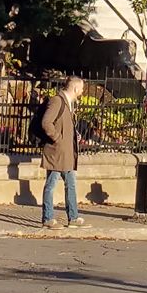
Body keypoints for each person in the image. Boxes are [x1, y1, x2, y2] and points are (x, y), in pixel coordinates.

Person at [36, 75, 83, 228]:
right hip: (56, 152)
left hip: (67, 152)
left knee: (71, 185)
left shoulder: (68, 103)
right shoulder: (57, 101)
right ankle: (48, 218)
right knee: (51, 184)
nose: (82, 92)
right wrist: (58, 138)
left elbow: (62, 125)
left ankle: (73, 217)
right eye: (81, 89)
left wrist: (73, 135)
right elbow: (46, 122)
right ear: (75, 88)